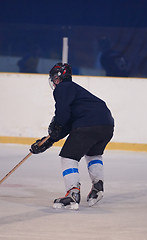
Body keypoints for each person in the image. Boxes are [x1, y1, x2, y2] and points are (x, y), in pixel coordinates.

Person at [30, 62, 114, 210]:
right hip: (106, 125)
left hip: (88, 124)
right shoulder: (76, 91)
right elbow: (68, 124)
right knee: (93, 154)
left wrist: (55, 129)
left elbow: (62, 115)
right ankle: (98, 186)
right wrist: (49, 141)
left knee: (68, 158)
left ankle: (72, 194)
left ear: (57, 78)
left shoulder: (63, 88)